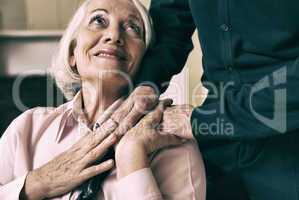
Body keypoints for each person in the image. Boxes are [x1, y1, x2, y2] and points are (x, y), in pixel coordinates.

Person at [0, 0, 206, 199]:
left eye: (133, 27)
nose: (114, 35)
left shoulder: (171, 142)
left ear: (146, 61)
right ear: (73, 53)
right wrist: (35, 184)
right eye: (99, 20)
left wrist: (132, 156)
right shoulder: (27, 128)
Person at [133, 0, 299, 199]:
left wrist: (202, 120)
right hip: (216, 139)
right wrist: (146, 83)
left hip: (288, 134)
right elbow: (172, 19)